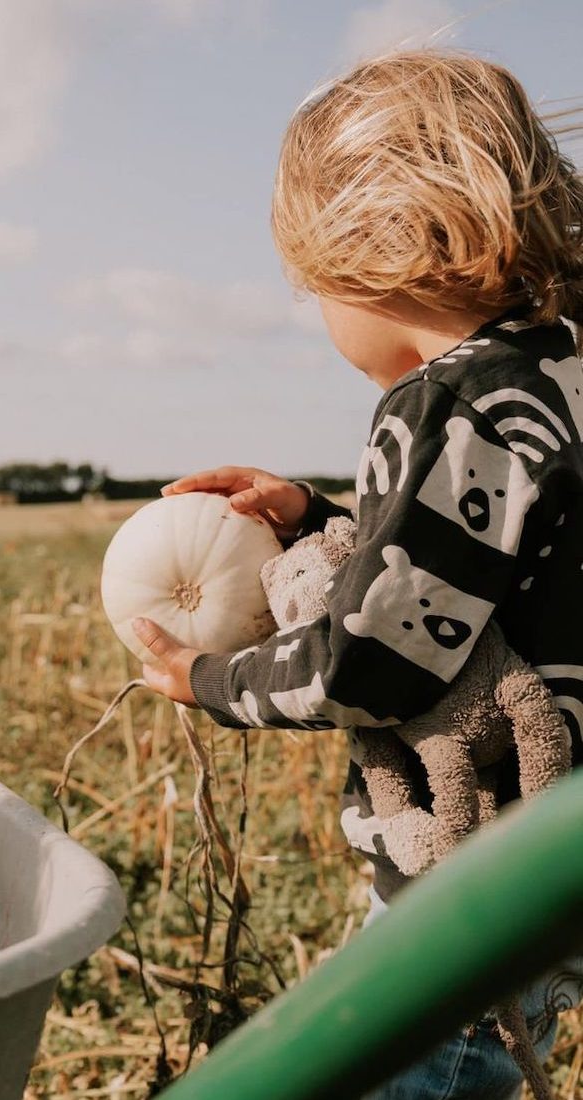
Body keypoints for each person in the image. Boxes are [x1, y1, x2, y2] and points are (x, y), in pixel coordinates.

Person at [131, 51, 583, 1100]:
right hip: (548, 850)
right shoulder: (555, 370)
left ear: (373, 254)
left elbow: (371, 658)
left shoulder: (451, 400)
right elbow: (485, 569)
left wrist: (206, 678)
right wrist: (321, 518)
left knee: (422, 1068)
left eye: (314, 289)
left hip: (477, 865)